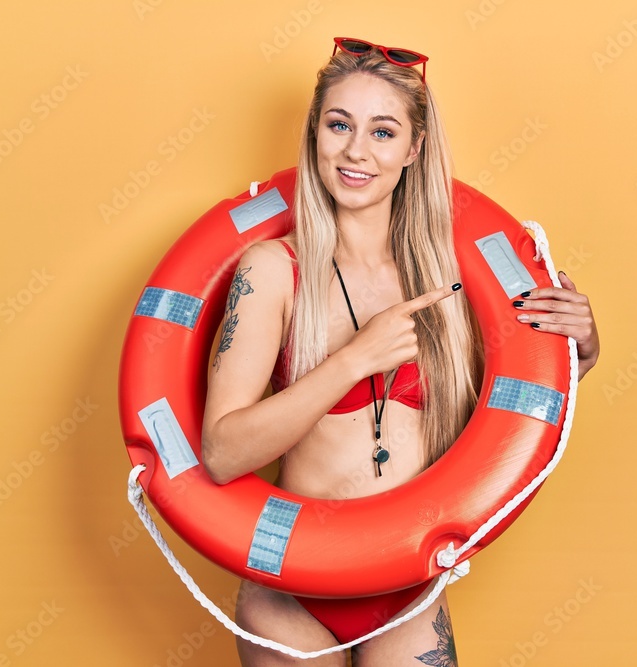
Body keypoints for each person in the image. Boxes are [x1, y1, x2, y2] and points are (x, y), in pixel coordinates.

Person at [201, 37, 599, 667]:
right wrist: (354, 359)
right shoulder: (274, 272)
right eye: (339, 125)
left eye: (383, 132)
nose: (356, 150)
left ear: (414, 148)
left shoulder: (455, 275)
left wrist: (581, 346)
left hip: (408, 585)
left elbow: (526, 394)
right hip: (297, 589)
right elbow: (222, 455)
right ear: (315, 135)